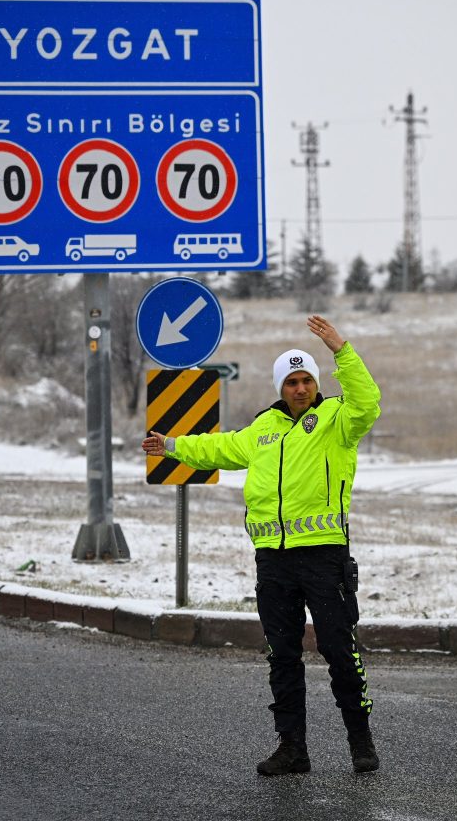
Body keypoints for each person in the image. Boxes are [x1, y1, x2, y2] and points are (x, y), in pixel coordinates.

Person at [142, 314, 381, 775]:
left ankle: (360, 741)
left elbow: (368, 402)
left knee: (338, 649)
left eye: (306, 379)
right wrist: (172, 446)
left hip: (323, 557)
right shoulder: (264, 429)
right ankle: (293, 748)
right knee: (283, 655)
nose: (300, 388)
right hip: (273, 562)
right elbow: (221, 448)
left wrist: (341, 350)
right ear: (280, 386)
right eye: (291, 381)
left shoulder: (337, 420)